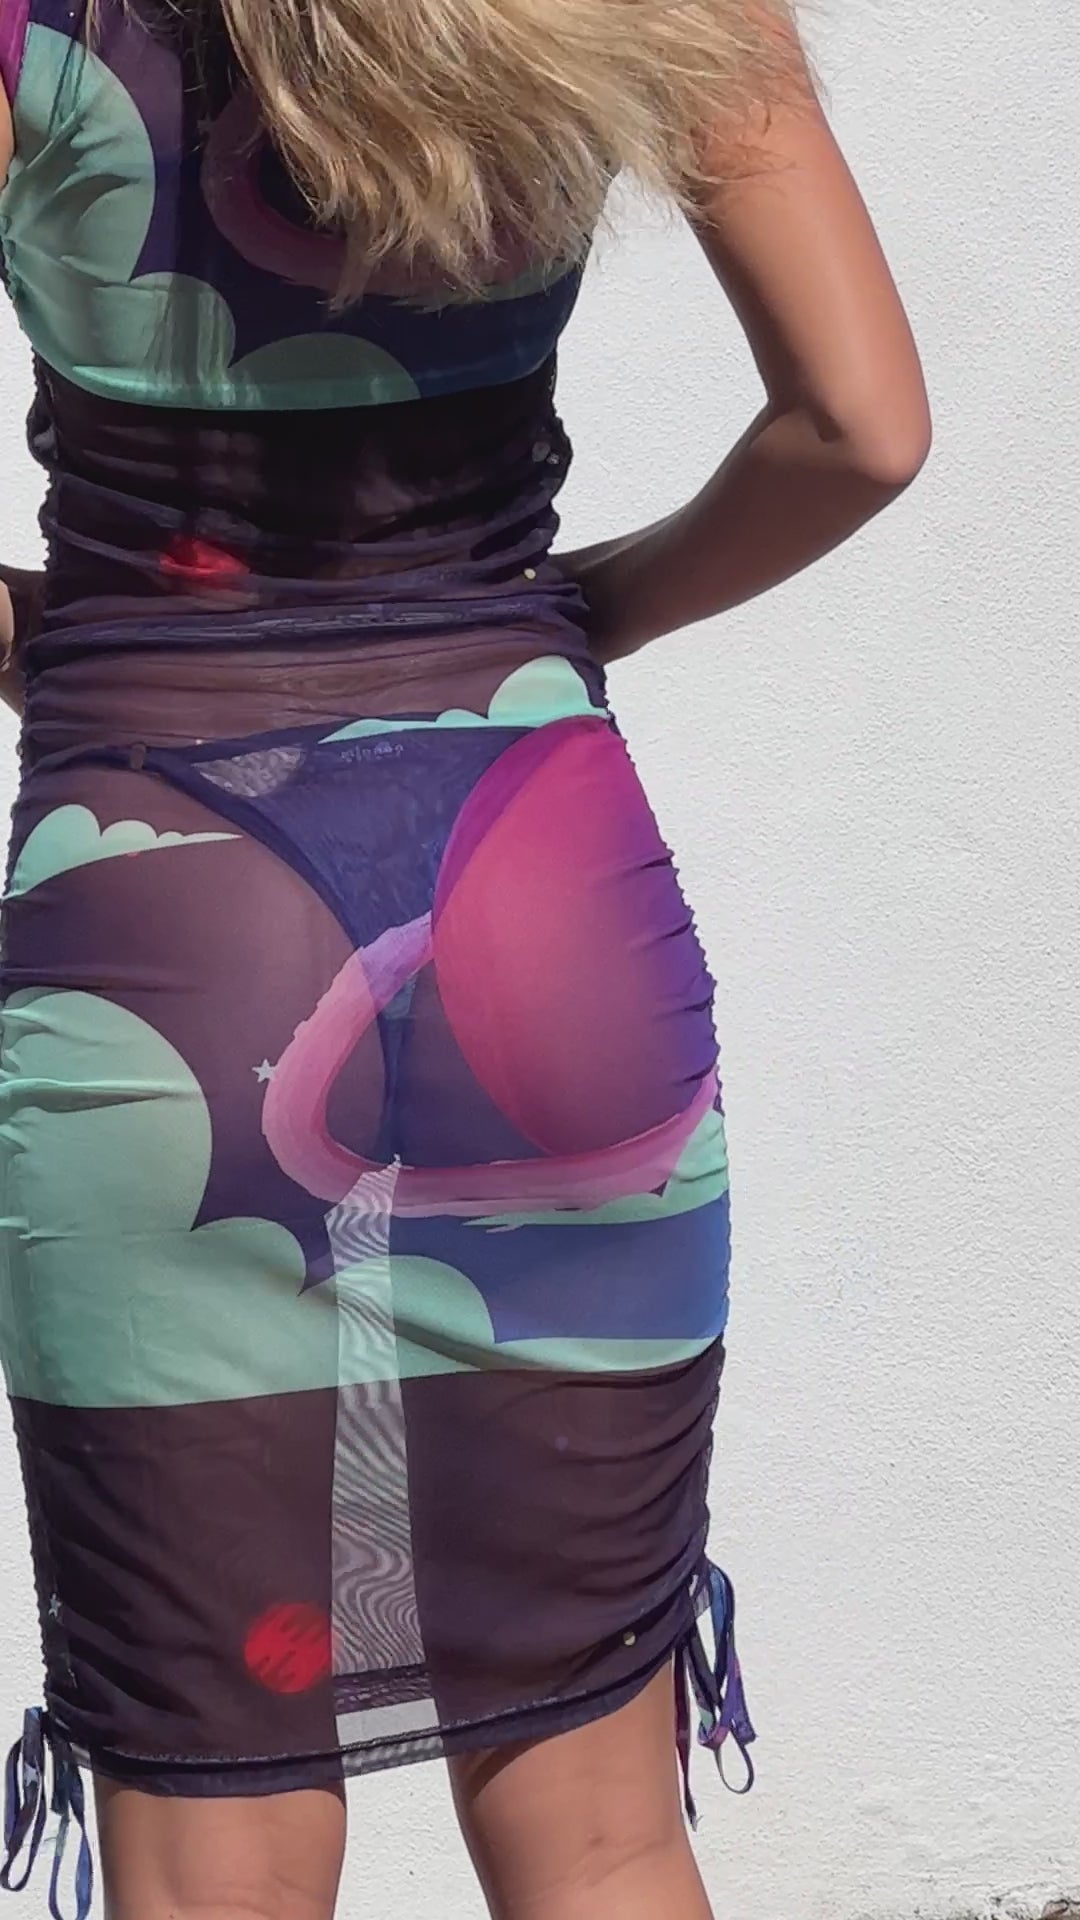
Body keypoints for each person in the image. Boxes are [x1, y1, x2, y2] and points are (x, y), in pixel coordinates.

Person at [0, 0, 930, 1913]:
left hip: (158, 943)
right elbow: (863, 426)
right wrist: (585, 611)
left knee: (215, 1830)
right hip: (542, 906)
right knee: (601, 1834)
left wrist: (68, 636)